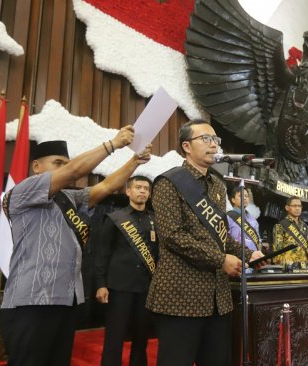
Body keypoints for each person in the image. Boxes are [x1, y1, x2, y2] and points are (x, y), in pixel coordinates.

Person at [0, 128, 152, 366]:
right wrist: (114, 143)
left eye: (65, 163)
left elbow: (107, 186)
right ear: (36, 167)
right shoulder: (22, 192)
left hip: (66, 299)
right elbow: (74, 171)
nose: (64, 168)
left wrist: (134, 162)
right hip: (31, 301)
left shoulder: (69, 198)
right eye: (57, 163)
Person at [146, 120, 264, 366]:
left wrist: (247, 253)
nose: (214, 145)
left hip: (218, 299)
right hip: (180, 297)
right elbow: (173, 236)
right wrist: (221, 260)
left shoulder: (218, 186)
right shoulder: (168, 183)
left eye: (216, 140)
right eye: (206, 139)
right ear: (186, 146)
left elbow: (221, 235)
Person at [95, 176, 158, 366]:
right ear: (128, 191)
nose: (142, 191)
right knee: (115, 335)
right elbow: (102, 253)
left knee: (142, 336)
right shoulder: (116, 219)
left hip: (146, 287)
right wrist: (100, 284)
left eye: (146, 189)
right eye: (138, 187)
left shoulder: (155, 220)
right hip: (119, 286)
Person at [273, 196, 308, 270]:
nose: (297, 208)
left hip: (306, 267)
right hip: (289, 267)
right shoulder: (281, 225)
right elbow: (277, 250)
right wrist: (281, 267)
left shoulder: (305, 226)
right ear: (287, 207)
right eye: (294, 206)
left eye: (299, 206)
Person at [227, 186, 261, 252]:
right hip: (235, 258)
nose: (244, 198)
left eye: (246, 196)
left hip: (253, 259)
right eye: (240, 196)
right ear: (233, 200)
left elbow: (258, 242)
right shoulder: (228, 217)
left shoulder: (254, 221)